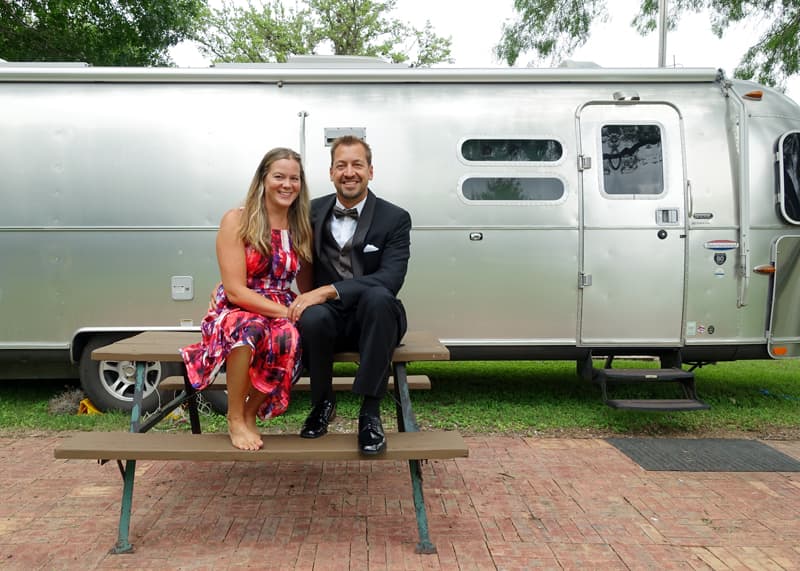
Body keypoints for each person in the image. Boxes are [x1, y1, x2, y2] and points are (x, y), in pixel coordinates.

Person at [180, 148, 313, 451]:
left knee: (289, 337)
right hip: (237, 306)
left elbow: (307, 285)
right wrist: (286, 310)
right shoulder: (237, 221)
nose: (287, 184)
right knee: (249, 328)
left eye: (294, 178)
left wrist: (308, 306)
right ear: (263, 179)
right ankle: (234, 416)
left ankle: (250, 412)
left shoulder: (301, 226)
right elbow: (236, 290)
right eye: (279, 176)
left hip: (281, 307)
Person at [286, 136, 411, 455]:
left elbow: (390, 279)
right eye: (341, 165)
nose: (349, 172)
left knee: (379, 298)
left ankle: (370, 414)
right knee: (311, 315)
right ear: (331, 173)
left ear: (370, 170)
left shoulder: (394, 218)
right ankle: (322, 403)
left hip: (376, 318)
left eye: (357, 164)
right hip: (330, 319)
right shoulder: (310, 212)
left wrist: (328, 290)